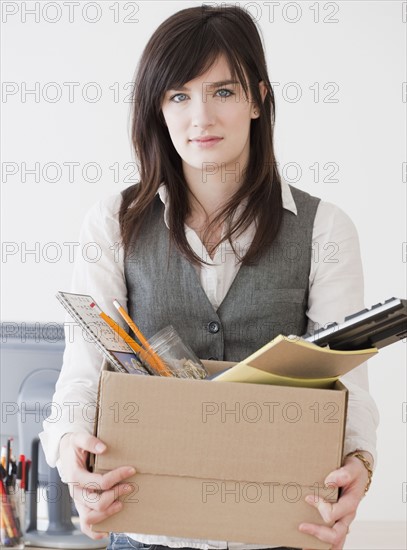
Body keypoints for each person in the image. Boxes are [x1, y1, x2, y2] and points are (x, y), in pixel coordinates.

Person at [39, 5, 379, 550]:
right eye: (179, 95)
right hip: (148, 532)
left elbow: (348, 391)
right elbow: (83, 372)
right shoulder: (113, 222)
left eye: (223, 92)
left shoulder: (324, 228)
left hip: (280, 533)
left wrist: (360, 460)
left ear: (258, 99)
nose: (201, 117)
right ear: (158, 108)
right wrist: (67, 447)